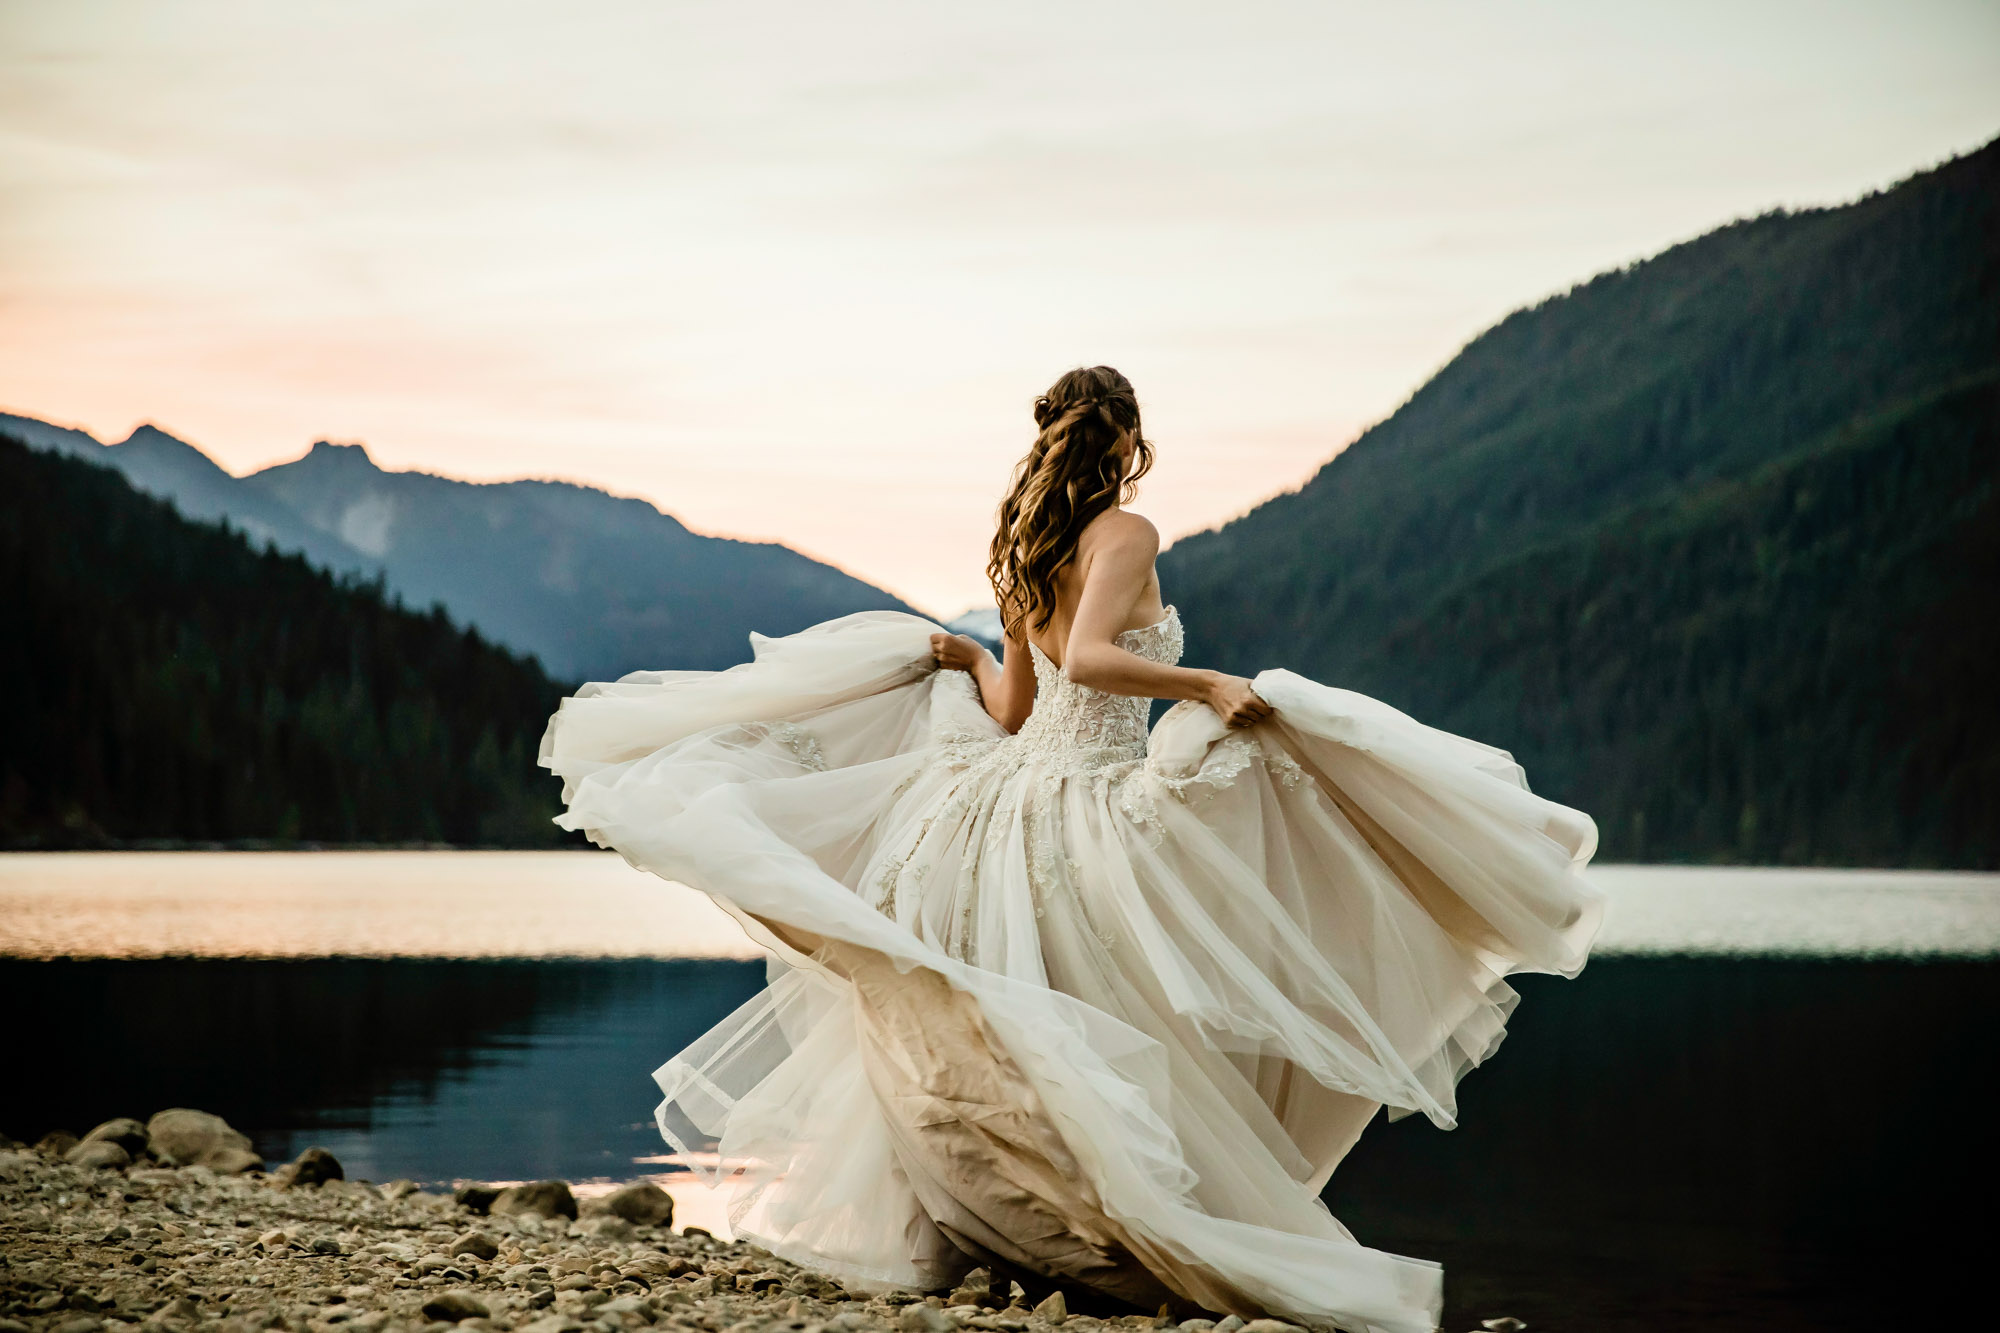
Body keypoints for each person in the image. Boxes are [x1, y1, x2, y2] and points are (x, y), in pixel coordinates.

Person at [540, 365, 1602, 1333]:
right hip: (1081, 797)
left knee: (1040, 1034)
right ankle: (1123, 1229)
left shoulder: (1022, 556)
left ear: (1046, 436)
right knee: (1147, 957)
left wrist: (967, 656)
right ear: (1127, 438)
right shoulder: (1125, 533)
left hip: (996, 803)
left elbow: (1010, 708)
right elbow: (1090, 663)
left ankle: (1038, 1224)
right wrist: (1204, 684)